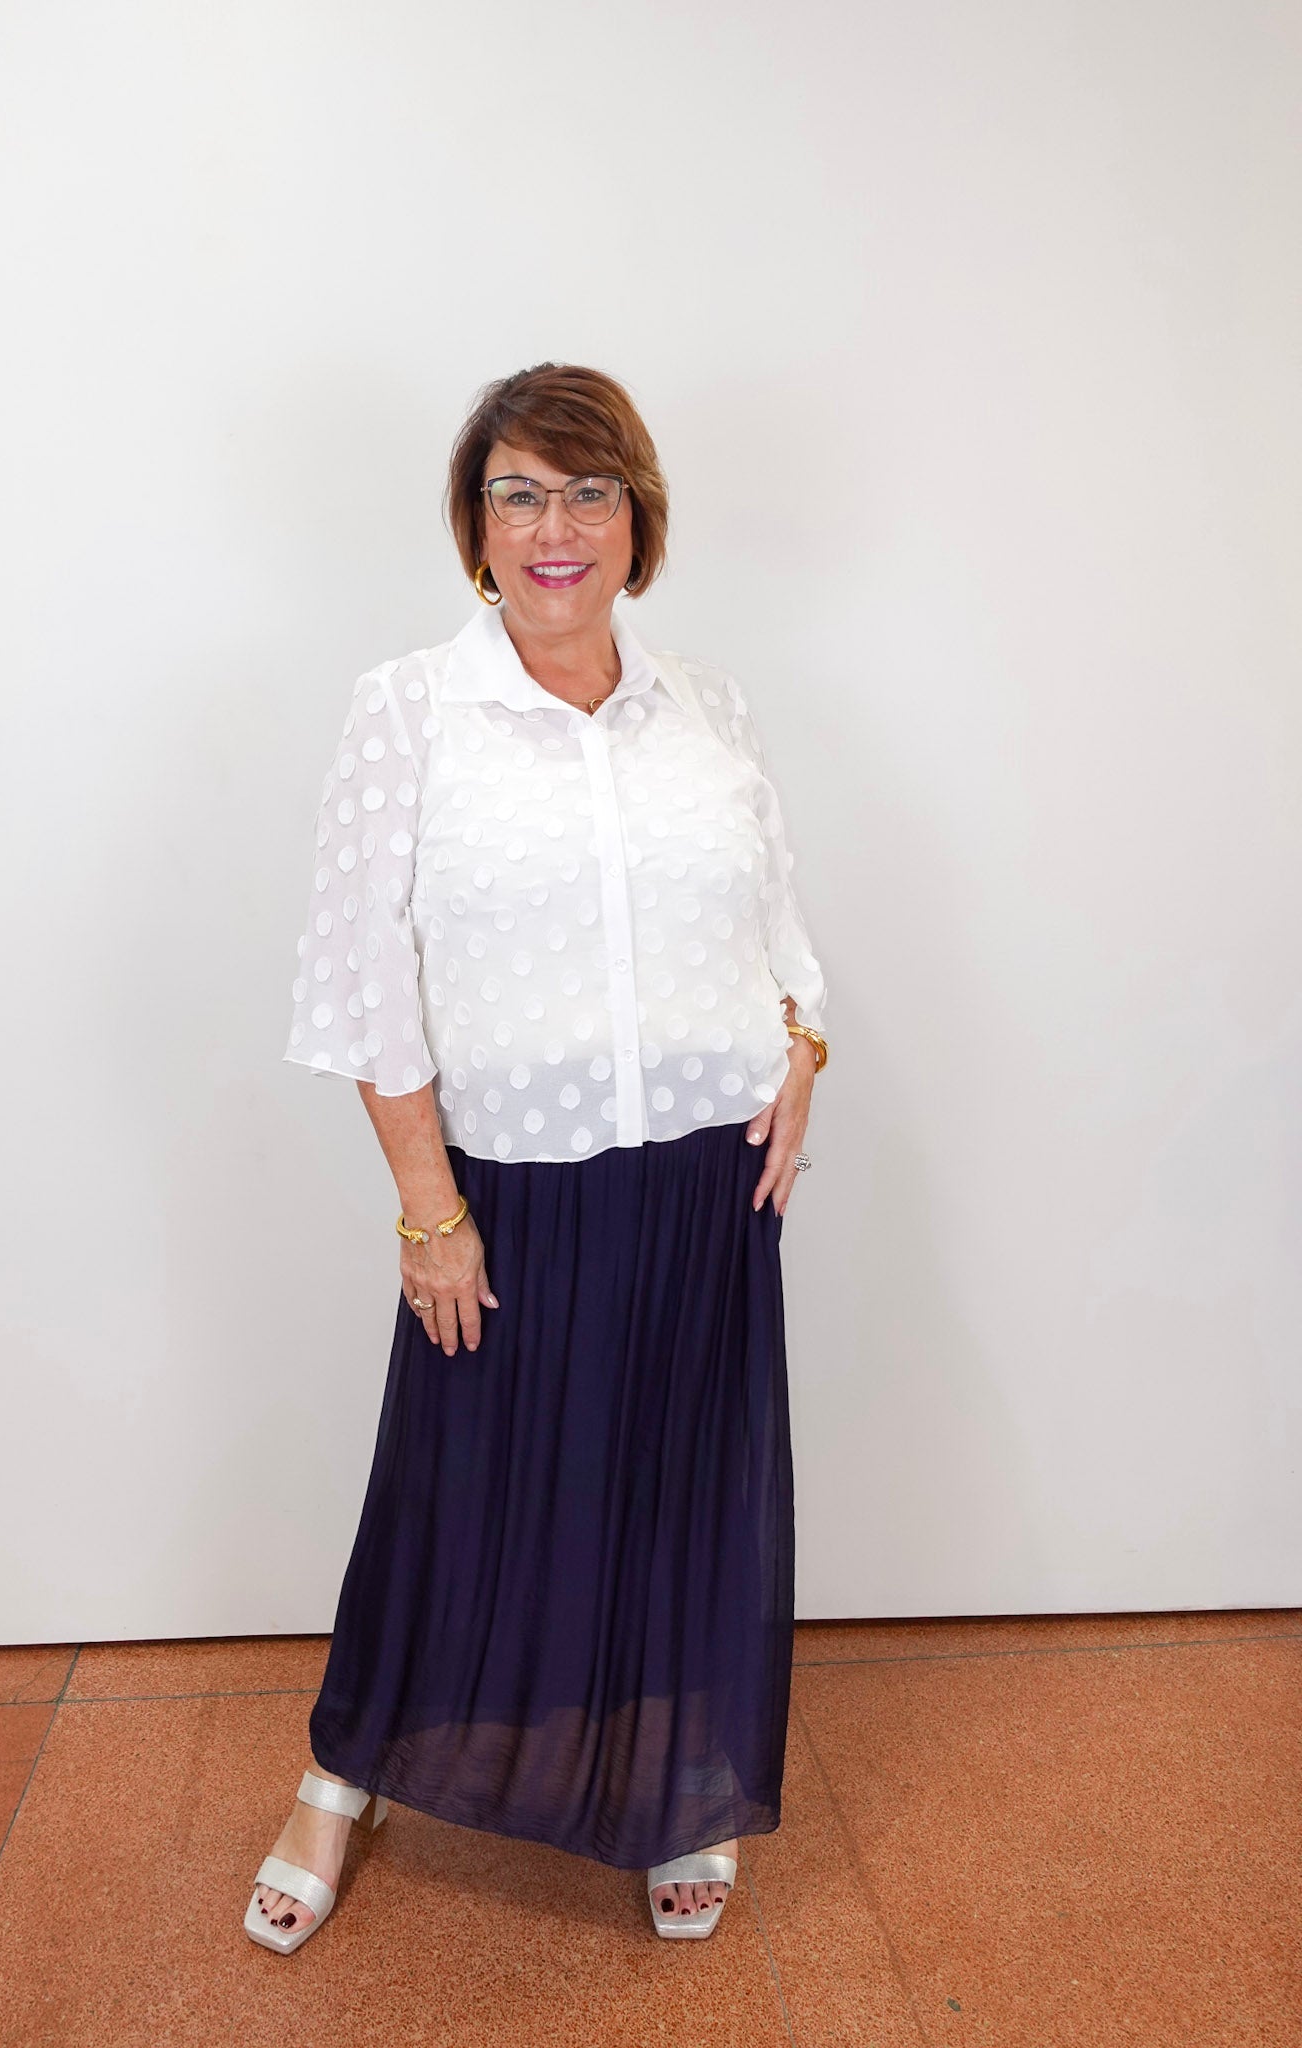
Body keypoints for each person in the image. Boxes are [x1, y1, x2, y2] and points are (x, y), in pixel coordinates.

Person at [246, 362, 829, 1955]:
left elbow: (773, 918)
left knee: (679, 1488)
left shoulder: (705, 705)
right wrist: (427, 1211)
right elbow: (363, 977)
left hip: (707, 1182)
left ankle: (676, 1785)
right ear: (476, 527)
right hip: (507, 1184)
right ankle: (340, 1778)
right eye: (519, 494)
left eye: (588, 492)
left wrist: (805, 1044)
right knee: (456, 1500)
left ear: (639, 520)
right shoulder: (410, 710)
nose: (554, 527)